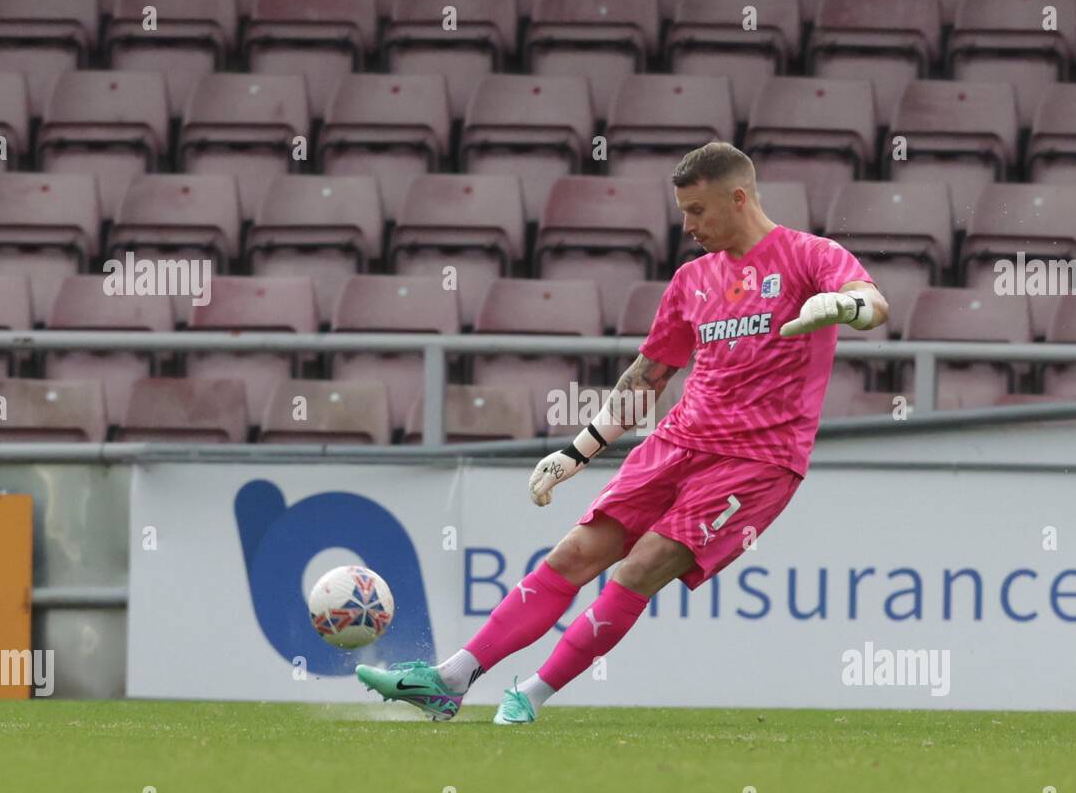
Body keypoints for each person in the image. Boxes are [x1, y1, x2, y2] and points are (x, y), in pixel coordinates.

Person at [357, 141, 889, 723]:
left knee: (637, 568)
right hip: (678, 441)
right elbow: (648, 376)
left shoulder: (809, 255)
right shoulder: (692, 280)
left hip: (757, 461)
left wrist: (843, 309)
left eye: (698, 211)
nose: (687, 226)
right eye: (683, 211)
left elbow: (874, 301)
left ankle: (530, 694)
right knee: (574, 554)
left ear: (739, 199)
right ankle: (450, 680)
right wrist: (576, 452)